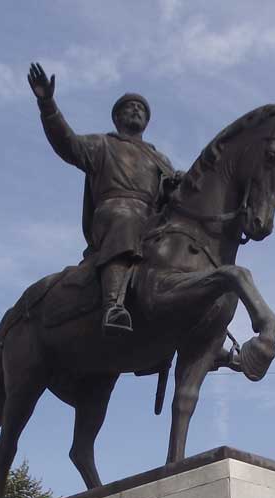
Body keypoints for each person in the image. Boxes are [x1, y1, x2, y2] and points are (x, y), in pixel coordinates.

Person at [27, 62, 178, 337]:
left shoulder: (160, 159)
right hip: (115, 212)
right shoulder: (102, 144)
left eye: (141, 108)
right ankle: (113, 306)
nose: (136, 110)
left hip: (151, 219)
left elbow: (173, 196)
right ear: (117, 118)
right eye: (130, 107)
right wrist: (47, 105)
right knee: (126, 217)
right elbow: (67, 142)